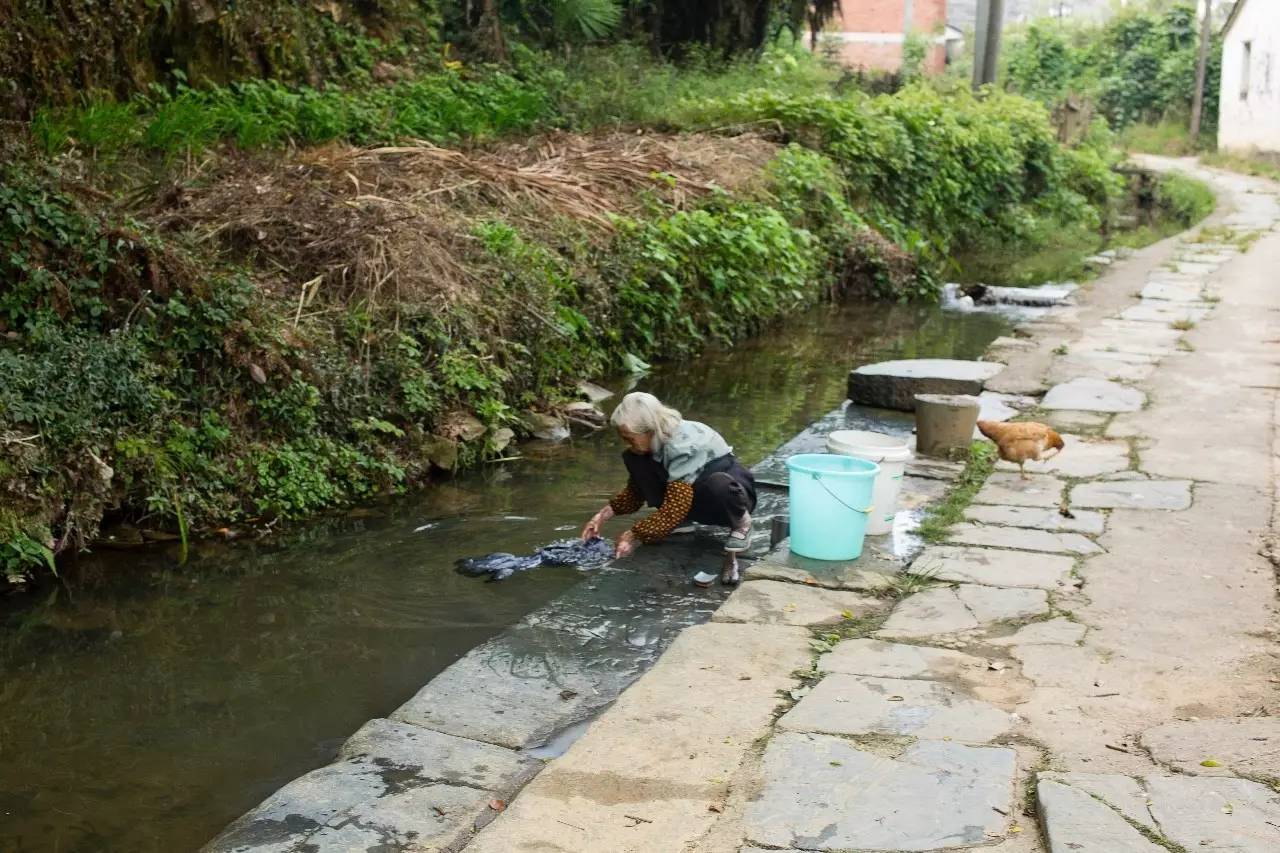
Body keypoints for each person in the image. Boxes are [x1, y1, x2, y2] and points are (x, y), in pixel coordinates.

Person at [581, 392, 756, 587]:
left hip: (729, 496)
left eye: (630, 438)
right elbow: (636, 491)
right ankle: (684, 523)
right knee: (635, 460)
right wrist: (601, 516)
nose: (627, 443)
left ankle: (742, 523)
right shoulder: (648, 447)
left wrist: (633, 534)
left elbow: (674, 507)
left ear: (650, 431)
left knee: (718, 484)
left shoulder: (682, 444)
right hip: (691, 498)